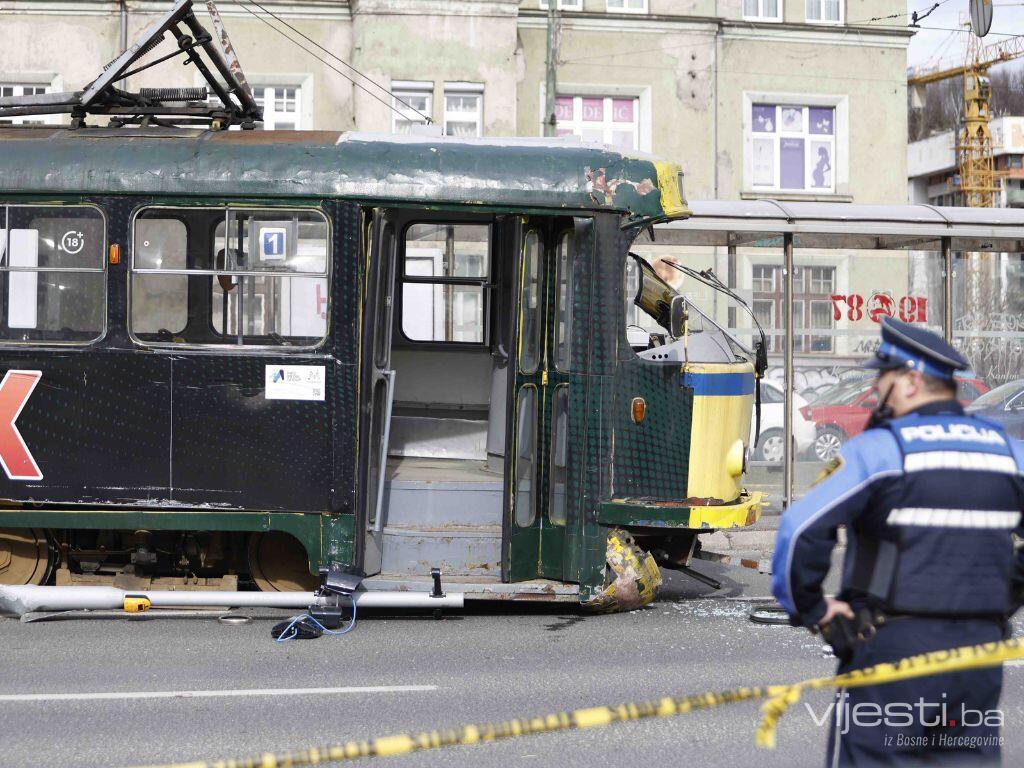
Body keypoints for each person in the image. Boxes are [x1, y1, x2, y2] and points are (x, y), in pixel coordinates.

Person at [772, 317, 1024, 766]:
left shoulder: (882, 450)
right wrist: (1005, 598)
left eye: (882, 380)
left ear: (909, 381)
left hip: (891, 651)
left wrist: (811, 609)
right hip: (978, 654)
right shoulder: (1007, 452)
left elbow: (799, 530)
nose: (877, 392)